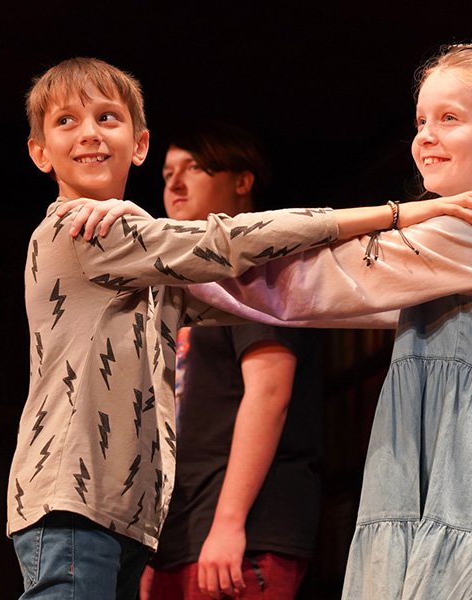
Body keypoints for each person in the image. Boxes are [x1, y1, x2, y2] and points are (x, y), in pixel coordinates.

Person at [6, 56, 472, 600]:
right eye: (66, 122)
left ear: (139, 142)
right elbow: (226, 242)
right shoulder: (81, 228)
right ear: (39, 152)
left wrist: (427, 296)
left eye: (106, 117)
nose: (90, 135)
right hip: (72, 504)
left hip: (121, 514)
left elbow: (269, 301)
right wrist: (397, 213)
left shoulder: (134, 244)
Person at [182, 44, 472, 598]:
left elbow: (327, 279)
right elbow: (317, 294)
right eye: (421, 121)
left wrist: (160, 257)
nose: (425, 136)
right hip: (434, 454)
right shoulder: (466, 229)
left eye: (449, 119)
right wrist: (172, 269)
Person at [142, 125, 322, 599]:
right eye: (167, 173)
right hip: (181, 535)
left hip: (242, 534)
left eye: (195, 169)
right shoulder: (188, 280)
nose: (175, 184)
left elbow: (269, 391)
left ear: (242, 182)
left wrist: (227, 525)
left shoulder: (253, 268)